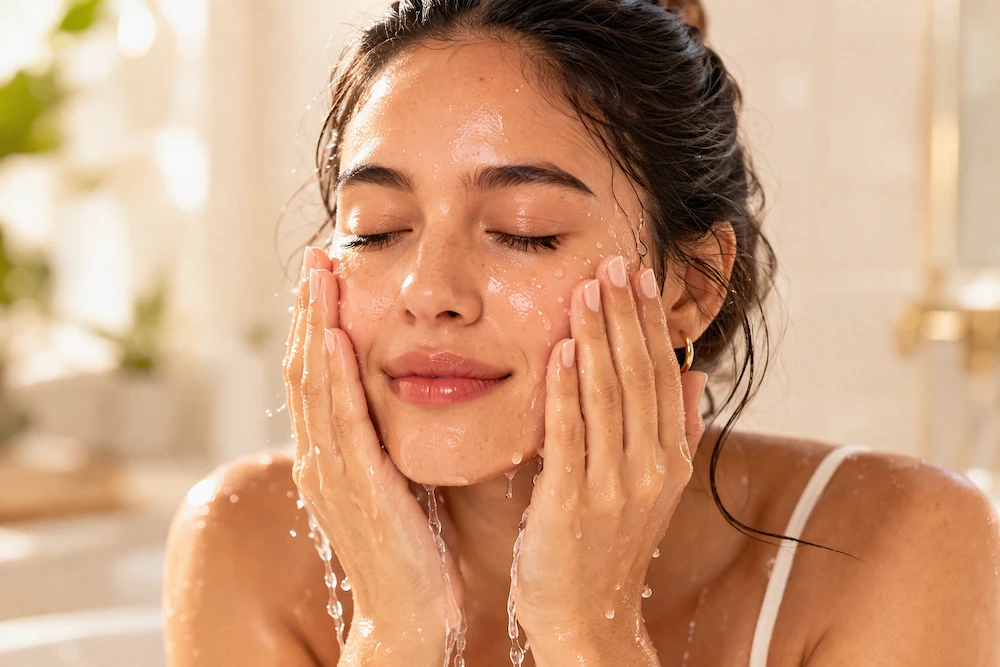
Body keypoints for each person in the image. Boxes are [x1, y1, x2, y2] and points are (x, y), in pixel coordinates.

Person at [163, 0, 1000, 665]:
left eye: (524, 230)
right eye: (376, 228)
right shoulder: (247, 545)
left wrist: (587, 631)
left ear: (692, 284)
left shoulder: (896, 544)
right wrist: (393, 629)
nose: (429, 292)